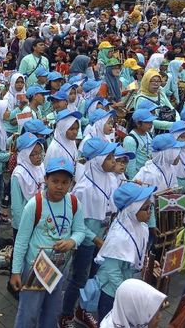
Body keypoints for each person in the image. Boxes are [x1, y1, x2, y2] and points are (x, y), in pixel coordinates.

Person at [10, 157, 86, 328]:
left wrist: (72, 241)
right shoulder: (34, 205)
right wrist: (15, 271)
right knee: (28, 312)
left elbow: (80, 230)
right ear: (46, 179)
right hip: (35, 268)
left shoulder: (74, 203)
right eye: (55, 181)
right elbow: (21, 240)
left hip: (60, 268)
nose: (60, 186)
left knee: (52, 312)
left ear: (71, 183)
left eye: (65, 182)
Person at [62, 138, 118, 328]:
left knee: (94, 278)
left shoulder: (111, 179)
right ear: (96, 160)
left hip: (102, 238)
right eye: (109, 157)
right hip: (87, 241)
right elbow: (77, 225)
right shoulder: (83, 188)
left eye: (113, 157)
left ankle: (82, 310)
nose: (114, 161)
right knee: (79, 278)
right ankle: (65, 314)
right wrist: (95, 239)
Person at [95, 182, 157, 320]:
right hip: (113, 293)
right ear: (132, 209)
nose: (150, 212)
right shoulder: (119, 237)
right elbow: (112, 271)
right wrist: (126, 295)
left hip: (127, 286)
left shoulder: (140, 226)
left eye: (151, 206)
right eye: (146, 208)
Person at [98, 279, 167, 327]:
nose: (159, 317)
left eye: (158, 311)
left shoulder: (122, 317)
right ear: (134, 313)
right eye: (153, 314)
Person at [123, 109, 156, 179]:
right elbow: (130, 165)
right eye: (147, 122)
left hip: (148, 174)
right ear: (138, 124)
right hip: (138, 177)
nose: (151, 124)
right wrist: (134, 181)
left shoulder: (148, 134)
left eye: (151, 122)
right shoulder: (130, 140)